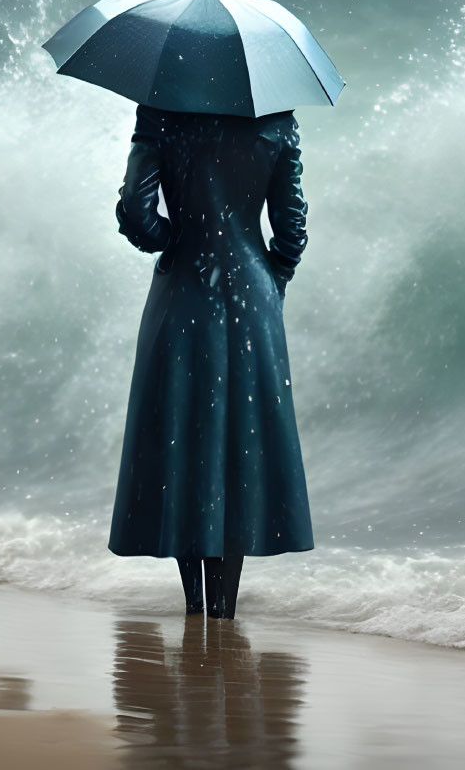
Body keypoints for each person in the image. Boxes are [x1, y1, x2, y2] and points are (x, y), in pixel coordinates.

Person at [108, 102, 315, 618]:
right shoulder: (277, 118)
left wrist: (169, 240)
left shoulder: (160, 111)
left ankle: (195, 604)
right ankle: (225, 605)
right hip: (253, 298)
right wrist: (272, 282)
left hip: (182, 291)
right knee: (238, 446)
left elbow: (137, 211)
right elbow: (291, 231)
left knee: (183, 438)